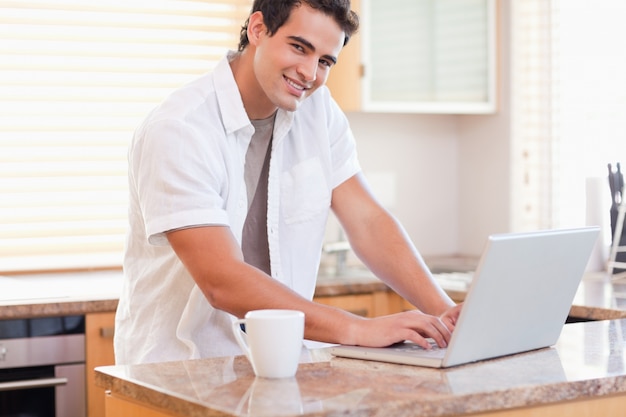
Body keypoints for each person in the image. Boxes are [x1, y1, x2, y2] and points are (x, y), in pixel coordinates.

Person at [114, 0, 462, 365]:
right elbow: (222, 280)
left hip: (282, 363)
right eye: (300, 47)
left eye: (325, 61)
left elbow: (368, 221)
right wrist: (359, 329)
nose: (310, 73)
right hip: (181, 368)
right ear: (258, 29)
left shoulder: (319, 111)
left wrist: (445, 313)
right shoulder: (179, 129)